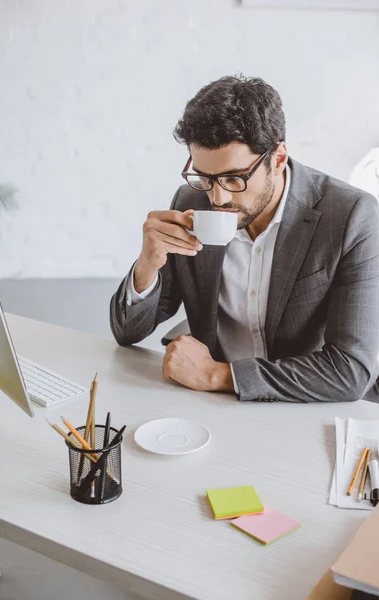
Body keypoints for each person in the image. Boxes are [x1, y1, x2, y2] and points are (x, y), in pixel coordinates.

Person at [110, 75, 379, 403]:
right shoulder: (190, 202)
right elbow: (128, 333)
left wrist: (217, 374)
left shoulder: (352, 216)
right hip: (216, 405)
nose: (218, 198)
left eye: (234, 178)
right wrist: (147, 266)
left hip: (304, 405)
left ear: (277, 159)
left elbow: (350, 371)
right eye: (205, 177)